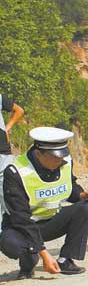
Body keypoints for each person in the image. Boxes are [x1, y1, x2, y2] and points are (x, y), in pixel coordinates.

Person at [0, 127, 88, 279]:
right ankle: (28, 261)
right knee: (10, 243)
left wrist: (83, 194)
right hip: (22, 227)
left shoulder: (63, 161)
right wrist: (44, 254)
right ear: (38, 153)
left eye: (61, 156)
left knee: (86, 208)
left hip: (50, 222)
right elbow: (21, 219)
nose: (60, 160)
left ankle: (65, 260)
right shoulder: (15, 172)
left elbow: (69, 187)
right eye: (54, 157)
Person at [0, 93, 24, 232]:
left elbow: (19, 110)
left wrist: (7, 128)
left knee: (9, 199)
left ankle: (18, 236)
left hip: (3, 153)